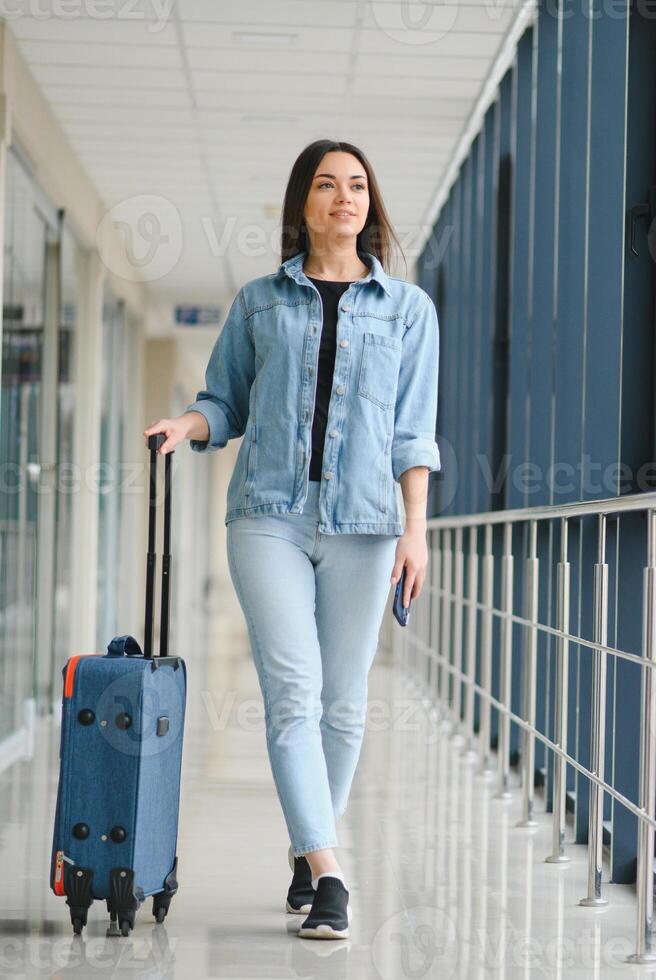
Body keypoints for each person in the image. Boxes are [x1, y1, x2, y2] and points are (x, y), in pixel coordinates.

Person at [144, 139, 441, 940]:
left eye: (356, 185)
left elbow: (414, 436)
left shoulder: (410, 311)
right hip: (268, 517)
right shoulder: (258, 303)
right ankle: (331, 873)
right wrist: (187, 424)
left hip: (369, 526)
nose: (343, 197)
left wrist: (417, 533)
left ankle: (308, 849)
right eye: (325, 184)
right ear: (301, 204)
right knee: (293, 690)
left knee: (344, 705)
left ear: (370, 204)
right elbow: (224, 401)